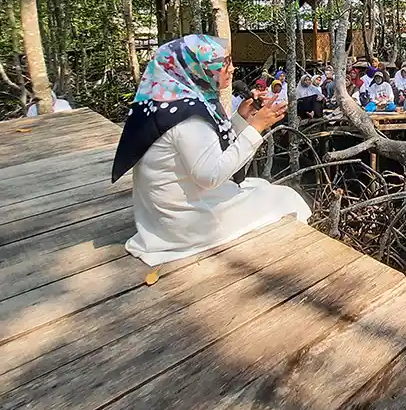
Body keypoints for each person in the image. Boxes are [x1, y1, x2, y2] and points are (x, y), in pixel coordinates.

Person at [111, 35, 310, 266]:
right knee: (286, 197)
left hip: (163, 213)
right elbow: (211, 175)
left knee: (261, 186)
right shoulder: (189, 120)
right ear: (199, 67)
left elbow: (206, 151)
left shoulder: (169, 101)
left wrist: (242, 118)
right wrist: (256, 128)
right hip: (184, 223)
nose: (232, 68)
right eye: (225, 62)